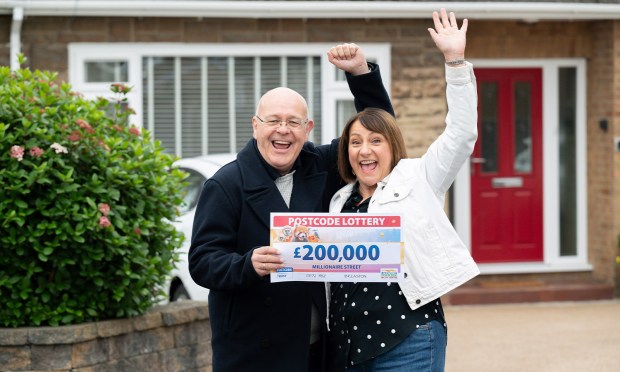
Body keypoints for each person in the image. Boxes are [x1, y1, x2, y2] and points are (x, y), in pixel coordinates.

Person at [188, 43, 394, 372]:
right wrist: (248, 264)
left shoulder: (323, 166)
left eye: (293, 122)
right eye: (273, 121)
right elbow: (201, 262)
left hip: (316, 348)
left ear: (307, 129)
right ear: (255, 126)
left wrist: (359, 73)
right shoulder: (225, 185)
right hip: (252, 351)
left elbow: (378, 134)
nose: (283, 130)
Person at [326, 9, 480, 371]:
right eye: (355, 142)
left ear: (392, 146)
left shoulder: (418, 178)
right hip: (350, 346)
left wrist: (455, 61)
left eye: (375, 140)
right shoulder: (339, 200)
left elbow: (461, 134)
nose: (364, 150)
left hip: (408, 338)